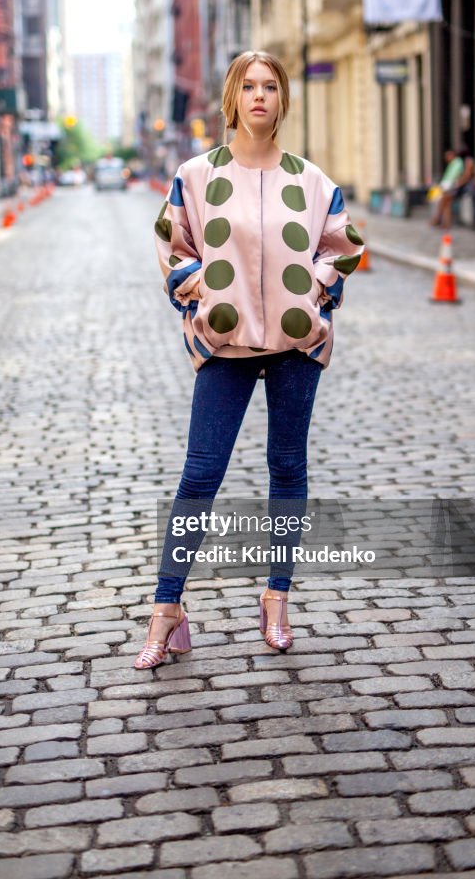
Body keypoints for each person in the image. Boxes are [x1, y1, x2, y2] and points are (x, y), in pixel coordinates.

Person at [134, 50, 366, 669]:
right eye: (248, 86)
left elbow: (342, 249)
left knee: (287, 469)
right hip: (225, 343)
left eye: (270, 86)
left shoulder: (313, 181)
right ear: (231, 98)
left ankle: (277, 597)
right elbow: (172, 245)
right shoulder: (196, 175)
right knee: (200, 474)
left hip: (295, 344)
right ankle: (167, 610)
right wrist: (205, 300)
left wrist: (314, 295)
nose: (259, 96)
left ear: (283, 99)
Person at [430, 148, 464, 229]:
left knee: (442, 202)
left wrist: (444, 188)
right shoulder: (452, 163)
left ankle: (437, 219)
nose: (446, 158)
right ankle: (446, 223)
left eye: (447, 156)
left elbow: (452, 178)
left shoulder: (457, 162)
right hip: (447, 186)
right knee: (447, 205)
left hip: (450, 187)